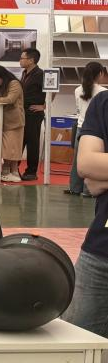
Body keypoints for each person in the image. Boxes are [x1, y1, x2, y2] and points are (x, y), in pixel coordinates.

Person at [62, 90, 108, 337]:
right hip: (101, 249)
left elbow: (97, 174)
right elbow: (87, 166)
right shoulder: (103, 103)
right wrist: (95, 168)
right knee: (76, 340)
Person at [69, 61, 108, 197]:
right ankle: (88, 191)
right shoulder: (103, 92)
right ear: (100, 74)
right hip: (96, 131)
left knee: (77, 161)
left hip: (80, 127)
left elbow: (78, 109)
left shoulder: (77, 90)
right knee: (96, 162)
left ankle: (74, 188)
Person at [0, 65, 25, 184]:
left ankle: (9, 172)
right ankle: (12, 173)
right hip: (5, 122)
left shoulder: (14, 83)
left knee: (11, 149)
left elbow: (10, 99)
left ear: (2, 76)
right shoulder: (0, 86)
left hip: (14, 122)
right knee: (11, 149)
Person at [19, 48, 46, 181]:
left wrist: (44, 106)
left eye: (22, 58)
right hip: (23, 111)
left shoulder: (41, 74)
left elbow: (53, 91)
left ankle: (31, 171)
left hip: (34, 113)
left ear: (31, 60)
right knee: (21, 140)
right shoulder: (25, 73)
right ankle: (14, 168)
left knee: (32, 142)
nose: (20, 60)